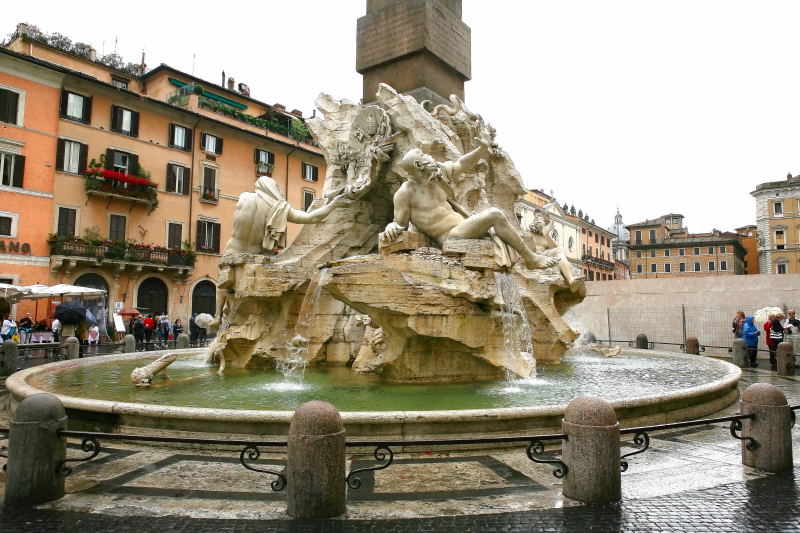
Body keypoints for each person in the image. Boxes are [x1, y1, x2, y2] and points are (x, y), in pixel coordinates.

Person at [383, 133, 559, 271]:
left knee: (494, 217)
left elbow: (461, 164)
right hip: (448, 237)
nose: (429, 156)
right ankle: (531, 258)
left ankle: (530, 257)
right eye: (423, 155)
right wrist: (391, 226)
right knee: (495, 214)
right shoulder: (405, 193)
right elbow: (400, 223)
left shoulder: (436, 175)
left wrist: (481, 149)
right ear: (419, 165)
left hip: (464, 225)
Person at [528, 207, 584, 294]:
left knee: (560, 249)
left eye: (539, 217)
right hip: (534, 257)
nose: (536, 219)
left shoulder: (546, 234)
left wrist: (546, 235)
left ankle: (571, 281)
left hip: (545, 255)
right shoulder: (528, 232)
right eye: (535, 216)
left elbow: (555, 249)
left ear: (545, 221)